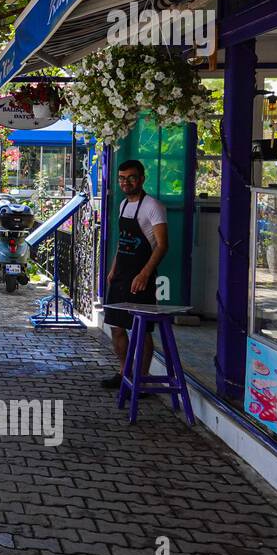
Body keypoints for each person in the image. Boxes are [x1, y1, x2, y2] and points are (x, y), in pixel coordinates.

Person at [101, 159, 169, 389]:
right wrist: (113, 268)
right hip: (121, 275)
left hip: (141, 277)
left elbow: (162, 245)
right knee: (116, 327)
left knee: (141, 329)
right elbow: (123, 243)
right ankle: (124, 373)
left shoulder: (153, 206)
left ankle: (142, 378)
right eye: (122, 178)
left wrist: (145, 275)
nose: (126, 182)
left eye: (131, 177)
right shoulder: (123, 205)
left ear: (141, 178)